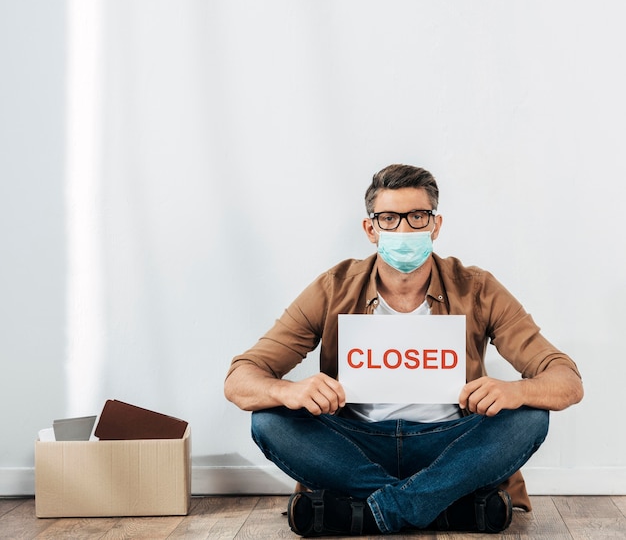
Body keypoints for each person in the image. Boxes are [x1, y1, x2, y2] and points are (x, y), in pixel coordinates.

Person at [224, 164, 583, 536]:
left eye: (417, 217)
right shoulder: (333, 287)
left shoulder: (477, 288)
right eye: (390, 218)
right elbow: (241, 377)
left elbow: (566, 380)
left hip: (448, 446)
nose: (405, 230)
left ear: (435, 225)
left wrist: (514, 390)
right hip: (357, 446)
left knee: (530, 417)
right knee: (268, 420)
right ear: (371, 229)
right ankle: (442, 507)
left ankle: (373, 509)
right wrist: (291, 390)